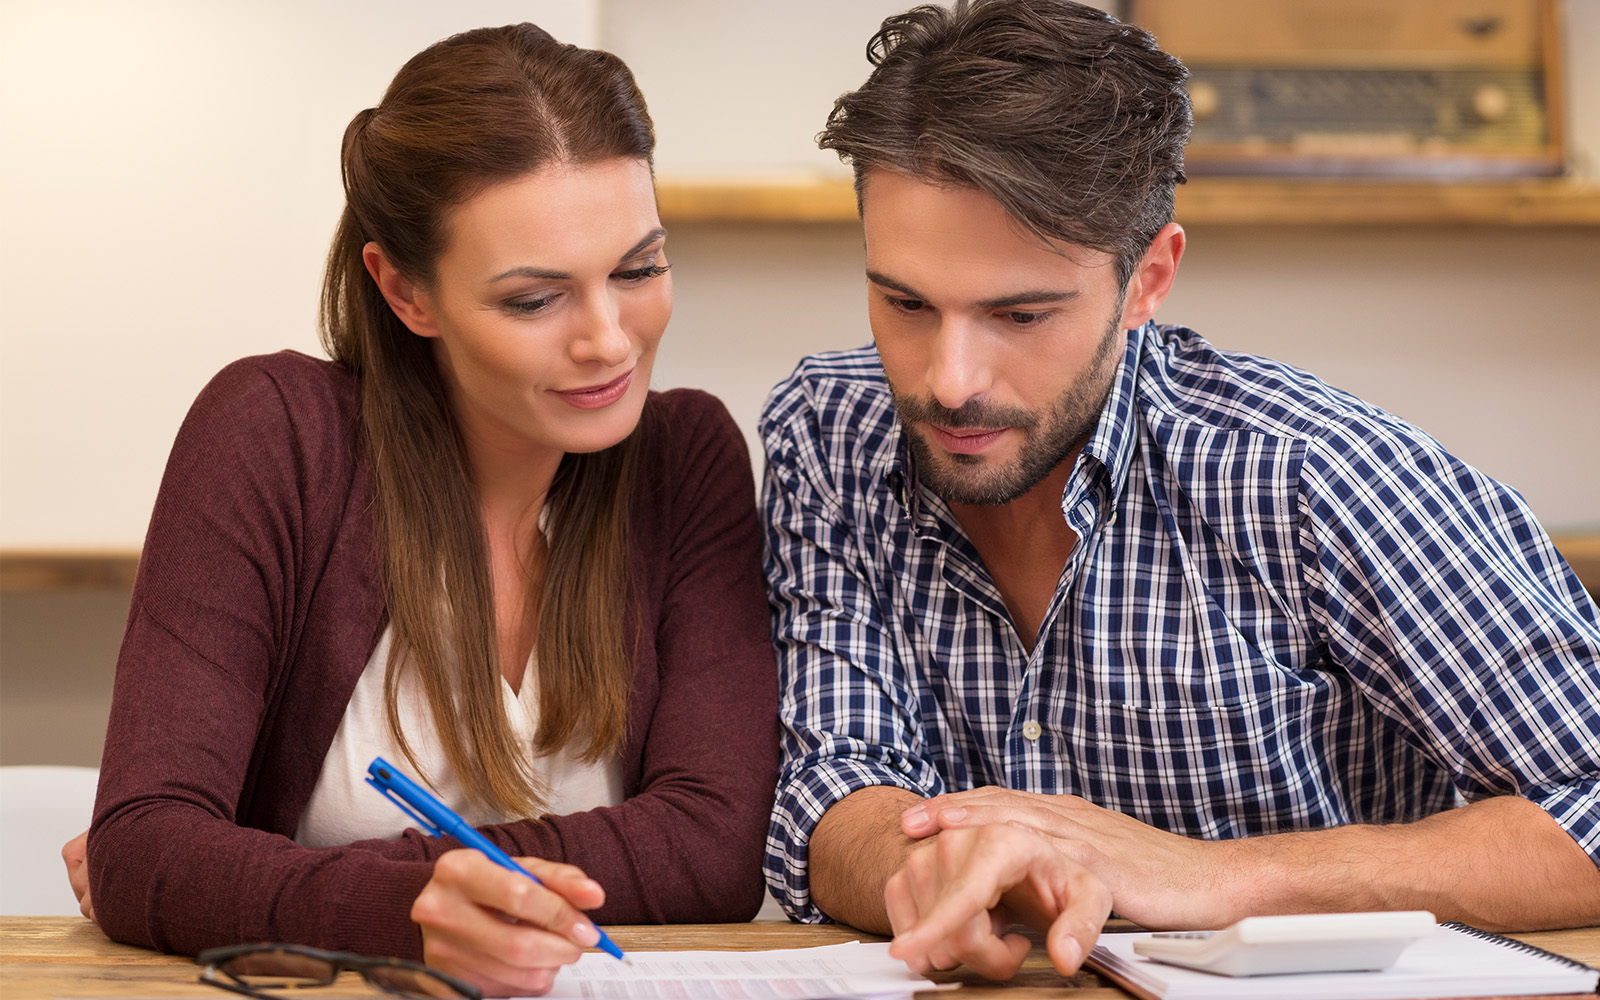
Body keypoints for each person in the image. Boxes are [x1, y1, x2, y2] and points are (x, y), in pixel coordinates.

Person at [759, 0, 1600, 981]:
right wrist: (934, 863)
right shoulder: (827, 431)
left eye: (1020, 313)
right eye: (903, 302)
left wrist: (1211, 874)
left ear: (1149, 278)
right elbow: (835, 783)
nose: (947, 380)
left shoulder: (1312, 471)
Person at [61, 23, 778, 997]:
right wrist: (401, 911)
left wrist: (261, 879)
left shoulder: (685, 458)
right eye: (535, 299)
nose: (610, 340)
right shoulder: (273, 436)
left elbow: (713, 850)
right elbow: (147, 849)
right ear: (405, 291)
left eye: (639, 268)